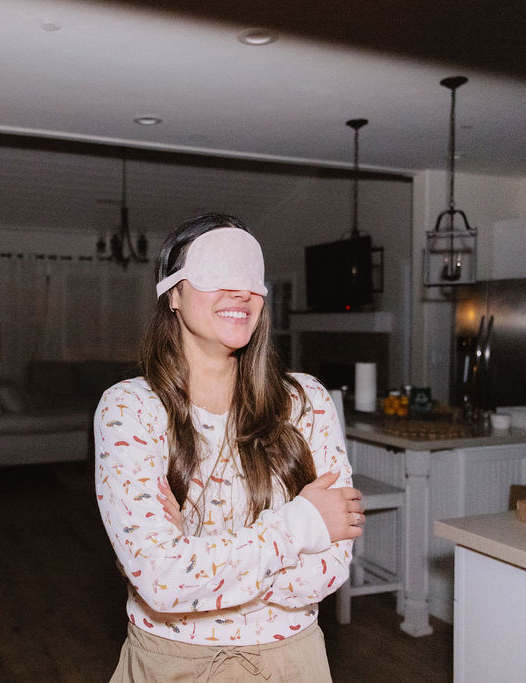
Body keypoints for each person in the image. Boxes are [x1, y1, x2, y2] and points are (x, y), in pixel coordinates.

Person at [95, 213, 364, 682]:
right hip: (172, 665)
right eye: (219, 270)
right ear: (173, 294)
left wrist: (195, 553)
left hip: (293, 664)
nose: (241, 291)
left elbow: (331, 567)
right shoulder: (130, 409)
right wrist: (301, 524)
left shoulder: (307, 402)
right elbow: (162, 581)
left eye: (250, 276)